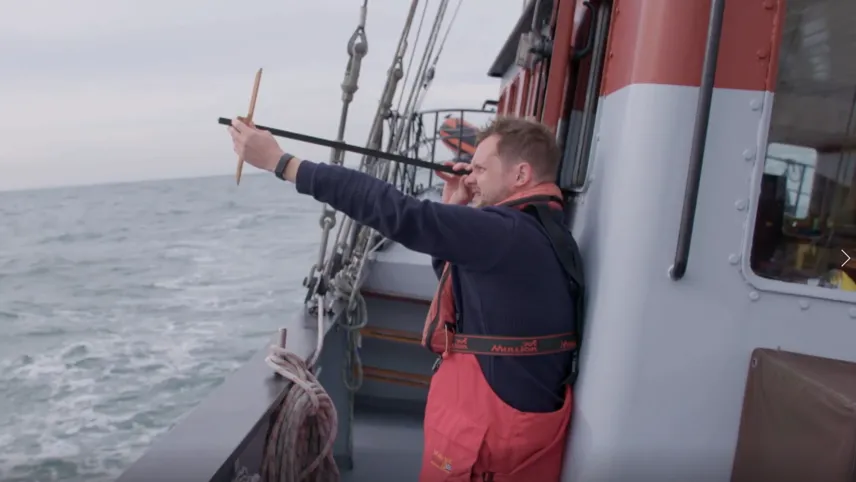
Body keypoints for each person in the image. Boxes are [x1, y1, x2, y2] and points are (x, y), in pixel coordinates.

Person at [228, 116, 585, 482]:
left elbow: (399, 212)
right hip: (498, 426)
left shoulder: (506, 232)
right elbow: (465, 285)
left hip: (488, 443)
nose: (471, 177)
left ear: (521, 174)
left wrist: (282, 164)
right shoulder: (534, 231)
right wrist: (456, 206)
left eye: (480, 168)